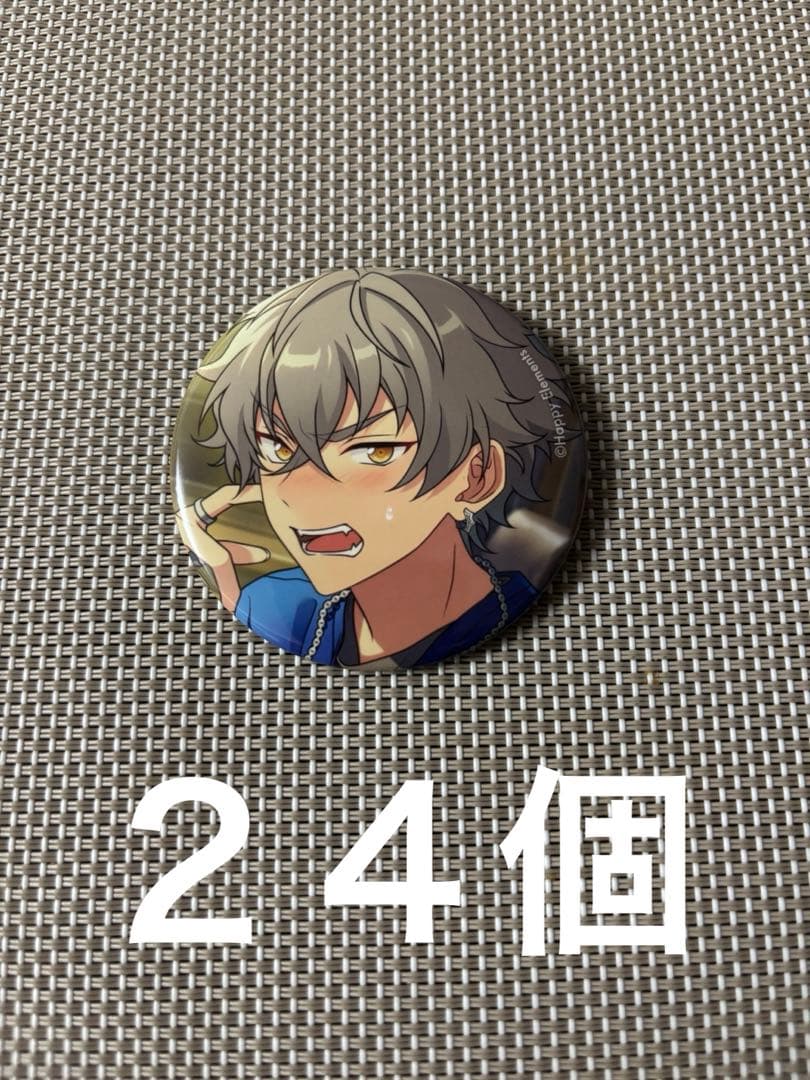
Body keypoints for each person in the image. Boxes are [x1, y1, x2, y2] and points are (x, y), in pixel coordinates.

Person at [174, 267, 579, 667]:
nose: (299, 495)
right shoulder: (282, 601)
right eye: (277, 448)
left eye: (376, 451)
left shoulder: (516, 600)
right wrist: (226, 582)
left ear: (477, 477)